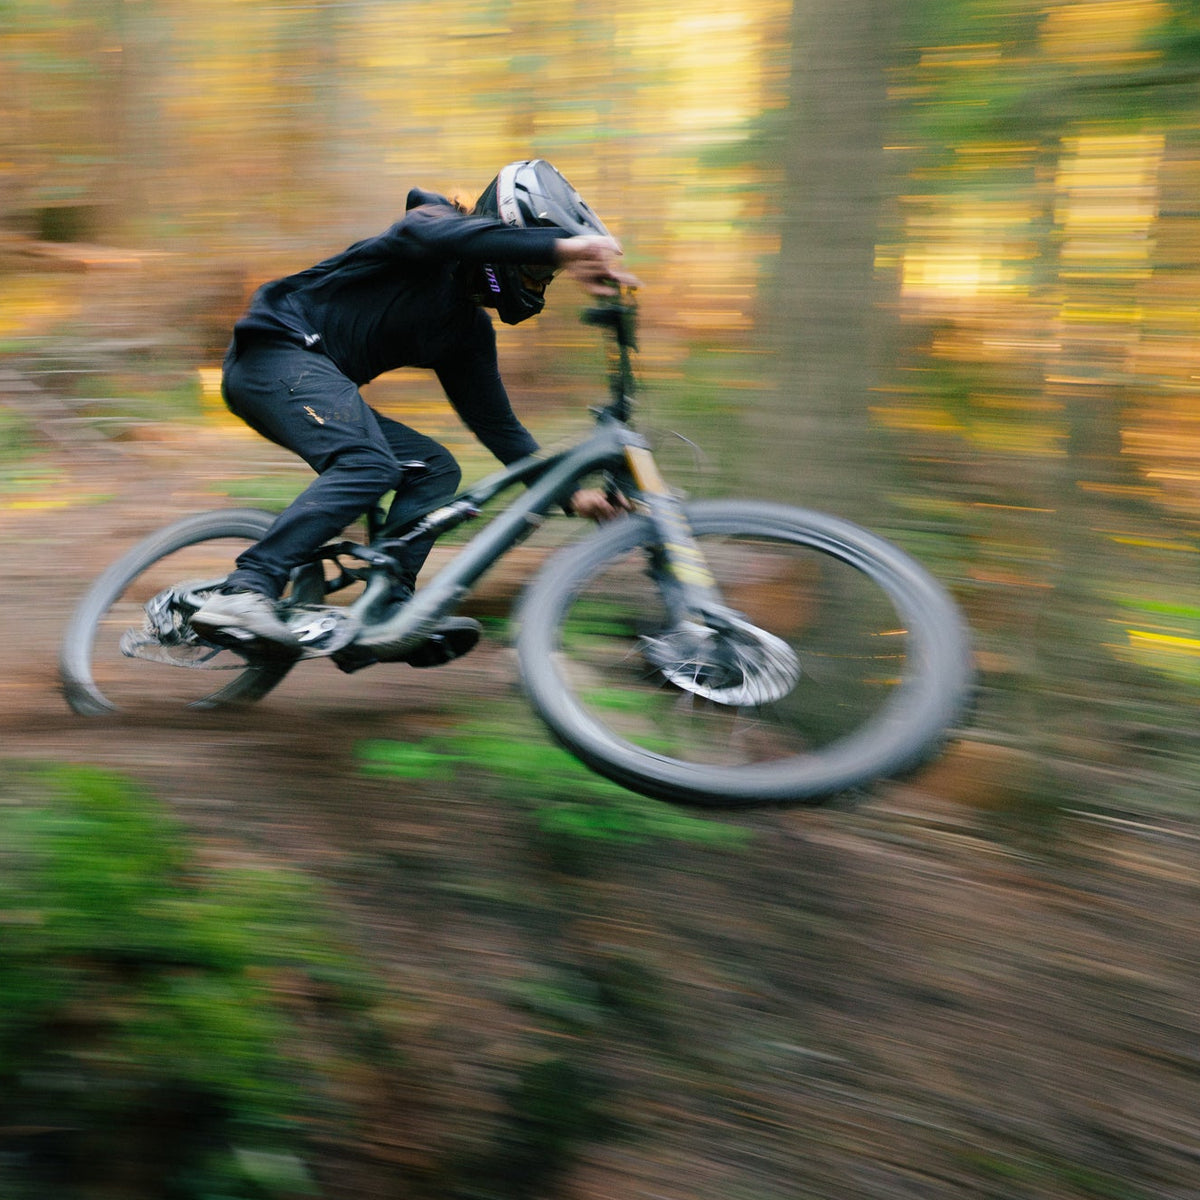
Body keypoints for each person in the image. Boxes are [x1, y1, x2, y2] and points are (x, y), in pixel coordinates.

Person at [191, 159, 634, 665]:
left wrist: (572, 496)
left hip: (312, 382)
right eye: (536, 266)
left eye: (546, 276)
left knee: (433, 468)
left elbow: (500, 429)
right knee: (370, 463)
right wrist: (566, 246)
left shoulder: (465, 334)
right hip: (273, 356)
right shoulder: (429, 228)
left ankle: (386, 608)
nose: (539, 280)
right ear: (507, 232)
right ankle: (245, 590)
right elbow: (440, 235)